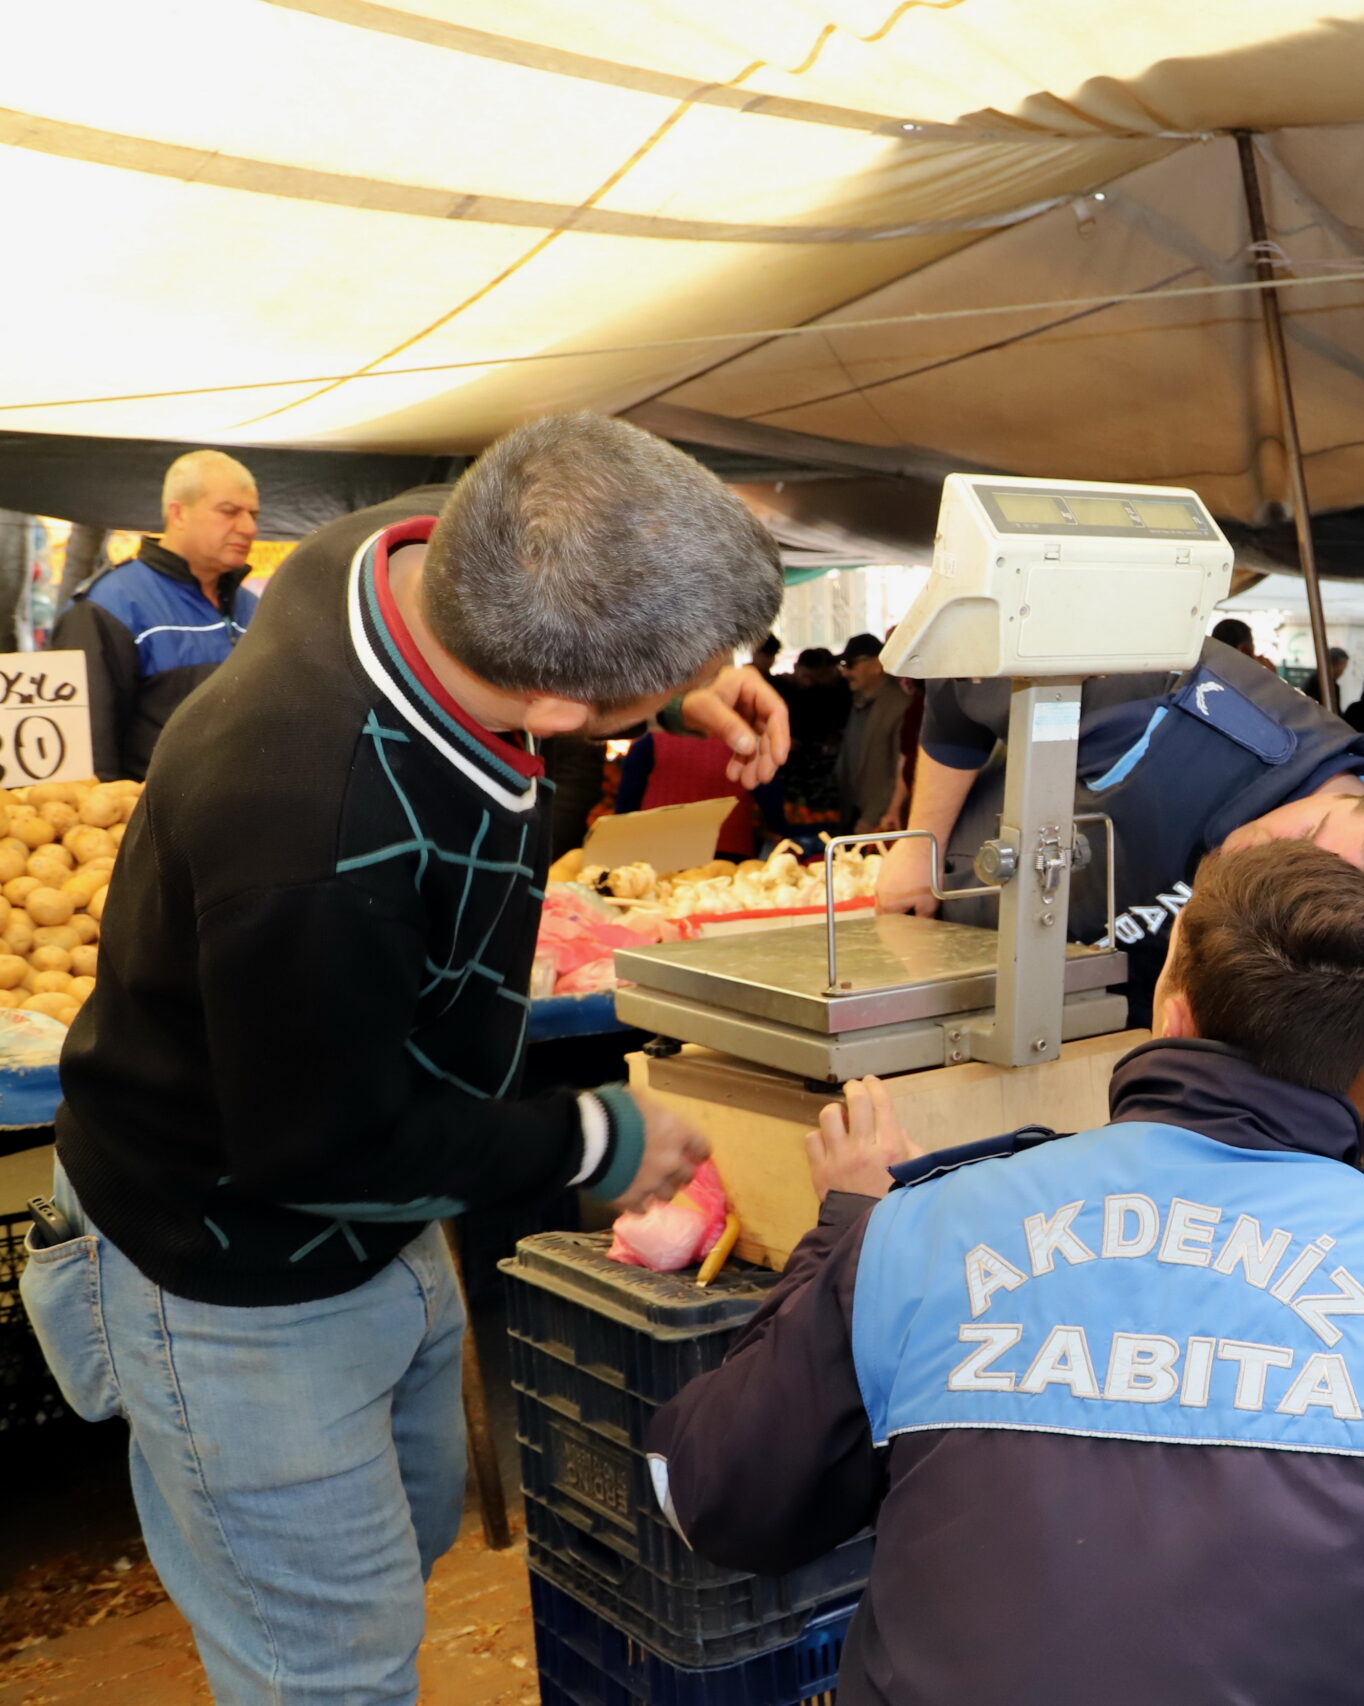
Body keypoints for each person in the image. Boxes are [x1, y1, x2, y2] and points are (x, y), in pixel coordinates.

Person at [20, 414, 793, 1706]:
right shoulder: (311, 827)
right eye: (640, 697)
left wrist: (680, 679)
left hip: (378, 1221)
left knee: (407, 1538)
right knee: (328, 1666)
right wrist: (595, 1137)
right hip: (228, 1261)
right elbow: (322, 1143)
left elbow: (563, 568)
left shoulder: (407, 555)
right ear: (561, 709)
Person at [647, 839, 1364, 1705]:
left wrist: (843, 1230)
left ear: (1172, 1010)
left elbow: (706, 1495)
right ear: (1359, 1051)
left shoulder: (919, 1231)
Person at [874, 636, 1364, 1116]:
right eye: (1312, 830)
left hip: (1115, 1055)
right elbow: (961, 681)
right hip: (949, 949)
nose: (1266, 848)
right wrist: (917, 846)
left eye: (1297, 887)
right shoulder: (1164, 693)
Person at [53, 448, 262, 781]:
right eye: (229, 511)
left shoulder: (255, 608)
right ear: (178, 514)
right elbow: (88, 753)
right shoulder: (107, 606)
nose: (248, 527)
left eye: (253, 514)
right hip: (147, 810)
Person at [616, 728, 783, 858]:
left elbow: (629, 792)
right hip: (727, 847)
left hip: (658, 846)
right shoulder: (743, 739)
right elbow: (766, 787)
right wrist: (779, 827)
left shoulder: (653, 737)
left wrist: (622, 834)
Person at [833, 632, 914, 833]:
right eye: (843, 665)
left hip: (881, 820)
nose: (845, 672)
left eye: (851, 664)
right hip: (853, 811)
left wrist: (875, 816)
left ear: (877, 665)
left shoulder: (899, 706)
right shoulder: (859, 702)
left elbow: (901, 770)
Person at [775, 645, 854, 828]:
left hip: (824, 767)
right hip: (792, 766)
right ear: (796, 668)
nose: (808, 682)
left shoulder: (835, 692)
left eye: (814, 677)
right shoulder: (782, 688)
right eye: (805, 676)